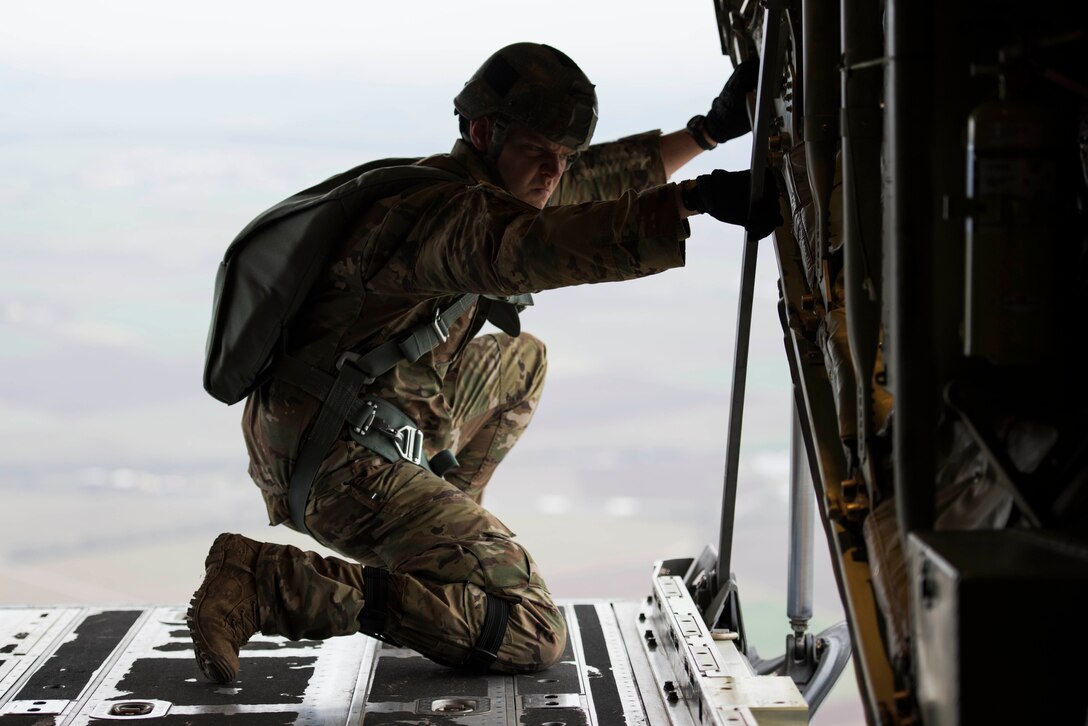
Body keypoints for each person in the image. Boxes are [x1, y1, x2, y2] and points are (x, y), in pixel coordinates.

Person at [187, 42, 782, 684]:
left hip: (345, 414)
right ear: (481, 131)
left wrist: (708, 133)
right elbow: (539, 245)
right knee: (528, 630)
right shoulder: (443, 216)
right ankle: (268, 581)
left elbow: (584, 185)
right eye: (537, 151)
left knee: (520, 362)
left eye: (563, 155)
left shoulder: (466, 184)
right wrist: (690, 201)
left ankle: (435, 561)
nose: (553, 172)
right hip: (335, 462)